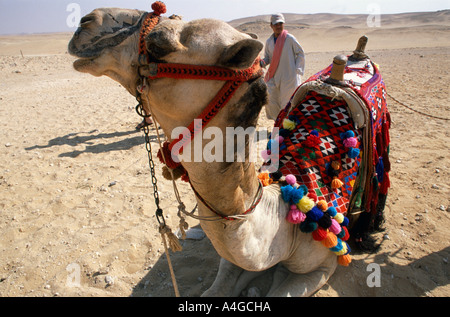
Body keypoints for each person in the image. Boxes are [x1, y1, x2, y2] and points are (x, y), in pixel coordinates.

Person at [260, 13, 305, 120]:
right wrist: (261, 63)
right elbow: (268, 58)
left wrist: (297, 69)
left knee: (287, 103)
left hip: (289, 77)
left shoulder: (289, 38)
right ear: (271, 25)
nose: (278, 26)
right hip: (274, 76)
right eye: (276, 24)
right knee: (271, 100)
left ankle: (286, 129)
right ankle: (277, 125)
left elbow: (300, 53)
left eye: (280, 23)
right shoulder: (269, 41)